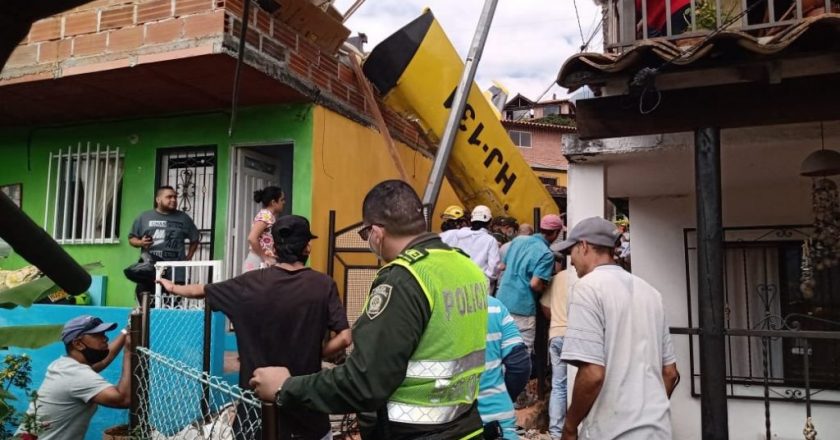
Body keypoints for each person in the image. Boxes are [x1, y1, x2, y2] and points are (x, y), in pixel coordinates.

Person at [249, 180, 489, 440]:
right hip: (467, 428)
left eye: (365, 235)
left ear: (376, 232)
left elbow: (364, 382)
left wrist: (286, 387)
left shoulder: (405, 279)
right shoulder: (466, 267)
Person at [158, 215, 351, 440]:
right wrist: (314, 354)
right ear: (307, 247)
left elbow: (201, 290)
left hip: (256, 412)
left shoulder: (248, 284)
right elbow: (345, 337)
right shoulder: (323, 284)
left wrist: (170, 286)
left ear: (274, 248)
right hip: (307, 411)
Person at [554, 217, 680, 440]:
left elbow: (592, 374)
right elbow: (670, 374)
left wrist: (570, 426)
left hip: (611, 431)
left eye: (571, 252)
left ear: (583, 246)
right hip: (658, 430)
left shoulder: (588, 289)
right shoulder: (651, 293)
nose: (571, 262)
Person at [17, 315, 131, 440]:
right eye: (97, 335)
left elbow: (104, 360)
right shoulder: (76, 375)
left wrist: (127, 331)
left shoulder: (64, 365)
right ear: (78, 343)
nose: (105, 338)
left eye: (103, 333)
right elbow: (123, 399)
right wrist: (130, 352)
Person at [495, 214, 564, 354]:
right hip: (523, 306)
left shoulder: (518, 240)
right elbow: (535, 284)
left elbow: (502, 266)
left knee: (501, 348)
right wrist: (547, 286)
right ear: (556, 233)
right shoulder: (546, 254)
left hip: (502, 301)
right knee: (521, 353)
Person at [128, 186, 200, 303]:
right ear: (158, 199)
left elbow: (195, 239)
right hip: (149, 271)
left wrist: (189, 256)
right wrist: (141, 242)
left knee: (172, 308)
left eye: (175, 197)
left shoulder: (183, 218)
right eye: (169, 197)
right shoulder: (144, 217)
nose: (173, 200)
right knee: (147, 307)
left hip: (175, 274)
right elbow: (132, 239)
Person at [479, 296, 530, 439]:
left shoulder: (429, 307)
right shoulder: (495, 306)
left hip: (449, 423)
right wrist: (502, 395)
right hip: (498, 421)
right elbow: (520, 365)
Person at [540, 246, 572, 440]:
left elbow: (545, 308)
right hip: (578, 336)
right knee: (581, 382)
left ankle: (555, 431)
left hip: (557, 334)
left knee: (559, 385)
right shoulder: (589, 278)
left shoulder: (557, 279)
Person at [440, 205, 501, 284]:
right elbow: (493, 268)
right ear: (490, 222)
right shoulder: (490, 240)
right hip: (477, 284)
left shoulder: (458, 235)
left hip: (456, 281)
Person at [243, 186, 286, 272]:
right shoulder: (266, 216)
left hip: (262, 261)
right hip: (258, 262)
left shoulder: (269, 216)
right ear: (273, 202)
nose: (284, 202)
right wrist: (265, 257)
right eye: (282, 200)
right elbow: (252, 238)